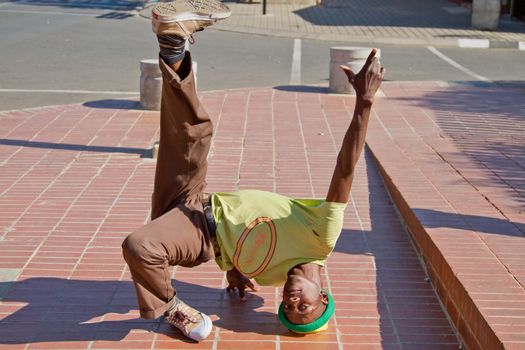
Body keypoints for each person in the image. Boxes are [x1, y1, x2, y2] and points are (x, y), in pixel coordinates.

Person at [122, 0, 385, 342]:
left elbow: (245, 240)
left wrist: (233, 267)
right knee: (193, 132)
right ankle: (172, 41)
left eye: (287, 310)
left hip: (199, 234)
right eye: (303, 308)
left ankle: (172, 309)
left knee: (141, 246)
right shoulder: (322, 238)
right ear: (323, 297)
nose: (292, 304)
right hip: (197, 199)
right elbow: (345, 170)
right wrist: (364, 104)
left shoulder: (272, 277)